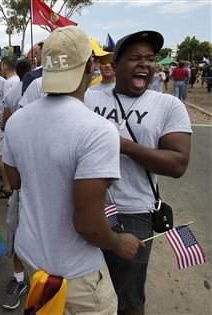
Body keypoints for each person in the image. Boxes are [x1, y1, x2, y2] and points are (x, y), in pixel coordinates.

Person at [3, 26, 143, 314]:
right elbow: (89, 224)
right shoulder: (97, 130)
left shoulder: (17, 120)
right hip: (76, 272)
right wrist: (118, 243)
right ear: (90, 65)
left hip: (33, 256)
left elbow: (14, 181)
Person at [85, 30, 192, 315]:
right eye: (134, 58)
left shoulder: (168, 105)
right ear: (116, 64)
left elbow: (178, 164)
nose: (144, 64)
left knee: (129, 299)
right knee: (86, 292)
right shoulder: (89, 99)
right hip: (87, 207)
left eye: (149, 58)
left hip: (134, 214)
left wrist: (122, 146)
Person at [0, 58, 31, 310]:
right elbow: (13, 177)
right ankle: (19, 279)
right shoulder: (17, 125)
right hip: (24, 191)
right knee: (18, 231)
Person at [0, 56, 19, 199]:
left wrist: (2, 125)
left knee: (2, 156)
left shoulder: (8, 83)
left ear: (5, 67)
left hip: (7, 125)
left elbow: (6, 107)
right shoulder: (19, 81)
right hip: (17, 124)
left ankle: (8, 187)